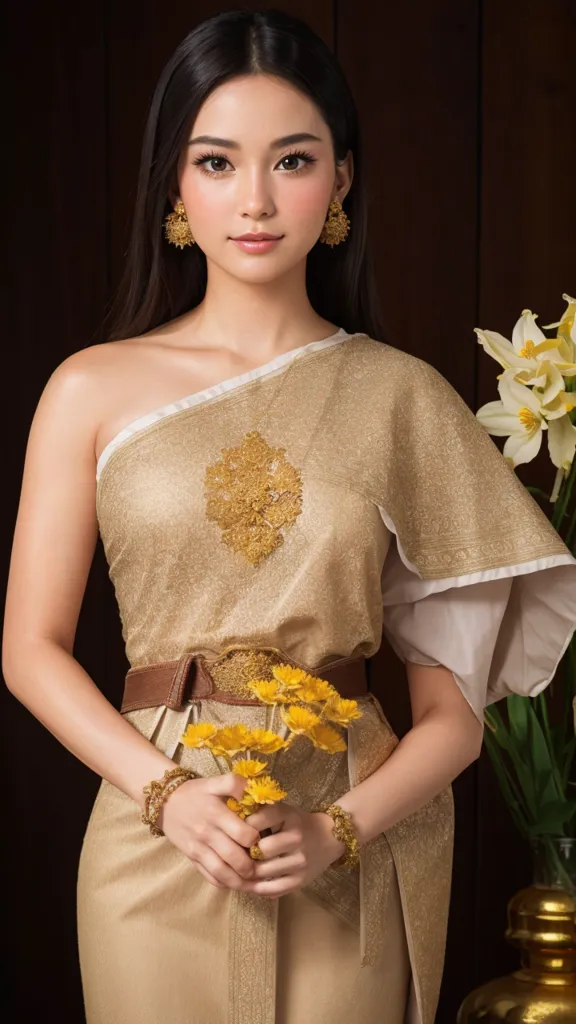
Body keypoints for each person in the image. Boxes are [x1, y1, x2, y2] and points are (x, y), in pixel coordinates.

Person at [3, 9, 576, 1024]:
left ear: (342, 182)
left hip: (344, 839)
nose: (256, 199)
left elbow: (451, 723)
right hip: (153, 833)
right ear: (174, 188)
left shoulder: (403, 397)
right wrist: (165, 794)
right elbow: (31, 651)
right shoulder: (89, 389)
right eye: (218, 162)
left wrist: (341, 831)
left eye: (294, 160)